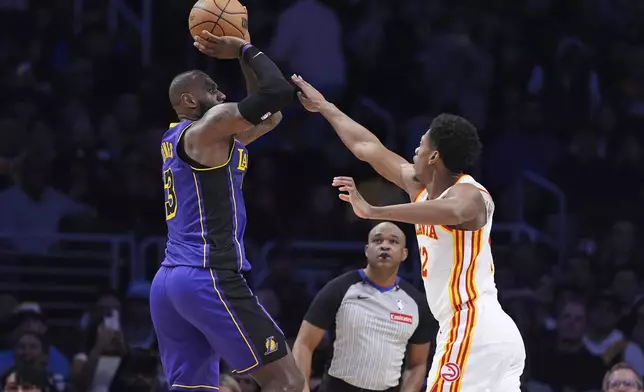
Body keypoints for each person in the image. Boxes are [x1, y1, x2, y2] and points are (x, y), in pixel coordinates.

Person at [292, 75, 526, 391]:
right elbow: (367, 147)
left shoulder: (471, 194)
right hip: (483, 333)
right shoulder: (420, 188)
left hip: (472, 324)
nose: (414, 149)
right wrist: (325, 107)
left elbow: (454, 212)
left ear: (434, 156)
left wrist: (375, 211)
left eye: (421, 144)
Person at [150, 24, 302, 392]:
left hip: (170, 282)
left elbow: (271, 116)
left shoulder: (189, 138)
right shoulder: (209, 129)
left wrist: (241, 57)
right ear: (188, 101)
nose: (222, 94)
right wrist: (245, 49)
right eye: (212, 89)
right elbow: (278, 92)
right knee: (288, 382)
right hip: (208, 275)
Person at [293, 222, 432, 392]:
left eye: (393, 242)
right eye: (377, 240)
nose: (385, 246)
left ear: (404, 254)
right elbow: (304, 344)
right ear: (367, 250)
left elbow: (417, 365)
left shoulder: (417, 303)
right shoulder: (339, 288)